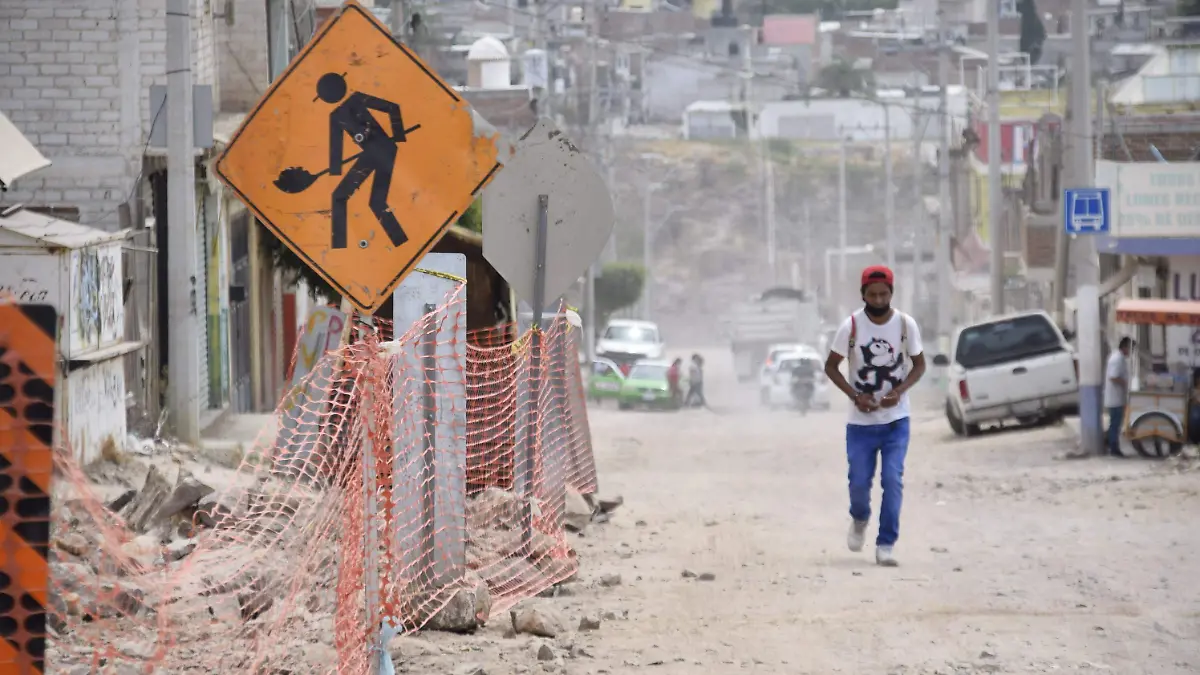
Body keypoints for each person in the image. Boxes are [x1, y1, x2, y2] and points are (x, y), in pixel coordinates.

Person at [824, 265, 926, 567]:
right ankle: (859, 518)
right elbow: (831, 366)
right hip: (860, 425)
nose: (879, 299)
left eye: (884, 294)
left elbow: (919, 366)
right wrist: (856, 396)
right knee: (858, 482)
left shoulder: (906, 326)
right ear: (863, 295)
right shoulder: (851, 327)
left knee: (892, 480)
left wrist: (901, 390)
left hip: (896, 421)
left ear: (892, 293)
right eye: (873, 294)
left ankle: (886, 544)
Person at [1104, 337, 1133, 457]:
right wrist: (1125, 383)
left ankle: (1112, 444)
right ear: (1125, 347)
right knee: (1115, 424)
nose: (1130, 353)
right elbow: (1113, 377)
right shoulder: (1117, 359)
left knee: (1115, 423)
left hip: (1117, 397)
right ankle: (1113, 447)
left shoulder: (1118, 357)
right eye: (1130, 349)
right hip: (1115, 398)